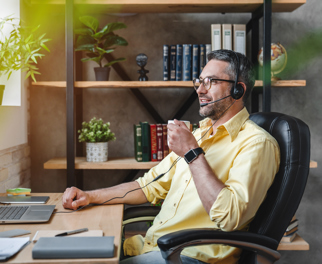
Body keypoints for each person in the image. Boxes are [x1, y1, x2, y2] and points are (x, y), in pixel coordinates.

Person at [62, 49, 280, 264]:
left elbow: (230, 217)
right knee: (69, 254)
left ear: (238, 91)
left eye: (211, 82)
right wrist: (90, 196)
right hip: (151, 248)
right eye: (199, 81)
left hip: (189, 258)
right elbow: (148, 186)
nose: (200, 90)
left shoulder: (256, 144)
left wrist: (192, 153)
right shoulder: (199, 134)